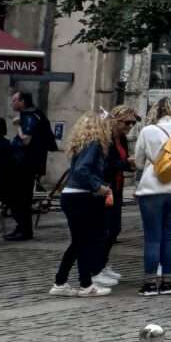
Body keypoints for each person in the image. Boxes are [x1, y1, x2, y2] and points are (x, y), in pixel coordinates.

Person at [134, 96, 171, 295]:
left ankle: (150, 283)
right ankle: (167, 282)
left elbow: (140, 162)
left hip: (152, 189)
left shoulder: (148, 131)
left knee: (152, 238)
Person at [52, 113, 116, 297]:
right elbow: (82, 170)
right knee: (83, 242)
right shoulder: (95, 144)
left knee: (79, 242)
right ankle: (83, 284)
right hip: (81, 197)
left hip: (73, 196)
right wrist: (98, 186)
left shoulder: (83, 144)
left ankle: (63, 281)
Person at [92, 105, 139, 289]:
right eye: (127, 122)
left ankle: (102, 263)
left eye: (133, 123)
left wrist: (129, 165)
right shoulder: (107, 139)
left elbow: (120, 163)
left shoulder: (123, 140)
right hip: (105, 189)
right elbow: (105, 166)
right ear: (116, 121)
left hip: (117, 188)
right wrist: (125, 163)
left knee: (114, 228)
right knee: (104, 230)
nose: (130, 126)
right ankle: (95, 268)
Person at [5, 90, 53, 241]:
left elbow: (26, 139)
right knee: (20, 198)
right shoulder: (37, 114)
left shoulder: (29, 116)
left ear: (22, 102)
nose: (12, 103)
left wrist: (18, 125)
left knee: (19, 198)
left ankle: (24, 230)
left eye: (14, 100)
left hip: (25, 164)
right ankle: (22, 228)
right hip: (30, 162)